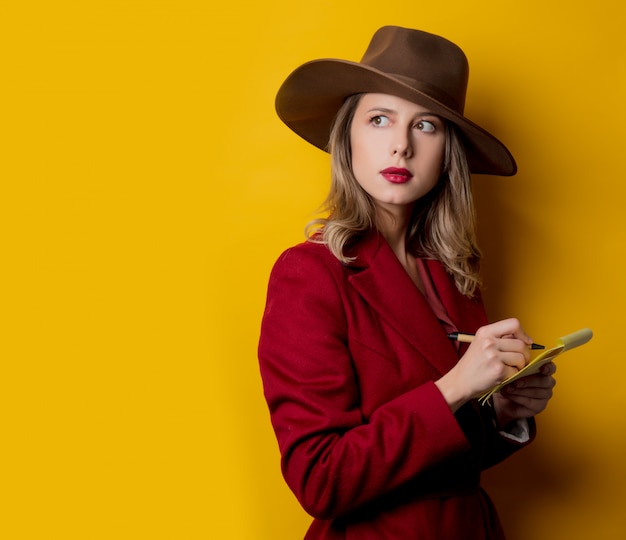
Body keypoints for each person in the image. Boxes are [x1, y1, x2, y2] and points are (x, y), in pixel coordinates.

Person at [258, 26, 556, 539]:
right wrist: (459, 385)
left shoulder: (455, 275)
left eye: (426, 126)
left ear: (447, 153)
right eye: (379, 120)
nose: (401, 146)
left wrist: (503, 413)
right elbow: (320, 478)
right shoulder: (309, 274)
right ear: (346, 137)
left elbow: (448, 459)